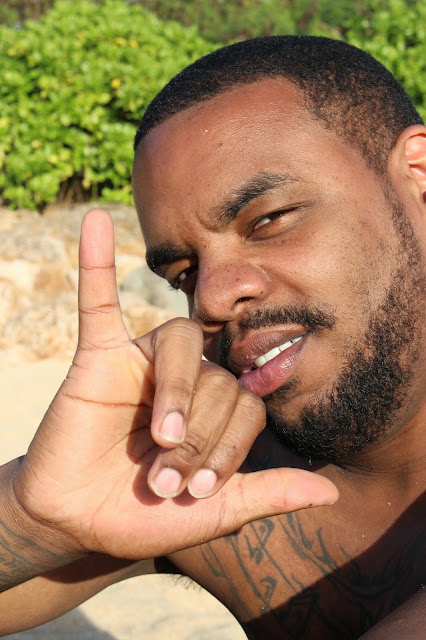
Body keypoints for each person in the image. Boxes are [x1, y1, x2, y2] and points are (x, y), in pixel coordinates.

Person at [0, 35, 424, 639]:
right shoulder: (212, 475)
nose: (213, 299)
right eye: (184, 274)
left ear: (419, 178)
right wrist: (32, 517)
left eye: (269, 220)